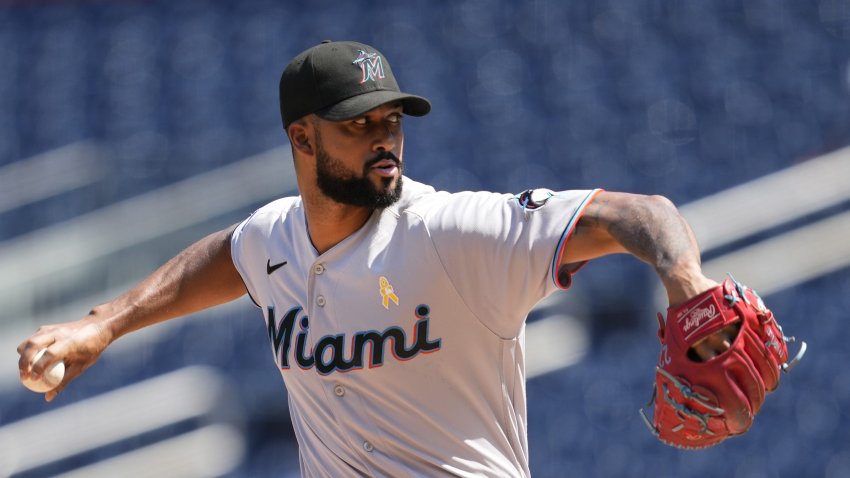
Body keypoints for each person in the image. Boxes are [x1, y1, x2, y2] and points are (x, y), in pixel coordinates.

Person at [18, 40, 724, 477]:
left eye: (391, 120)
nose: (384, 138)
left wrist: (685, 280)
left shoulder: (450, 231)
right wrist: (103, 325)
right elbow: (226, 255)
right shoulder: (275, 238)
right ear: (303, 139)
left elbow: (639, 214)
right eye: (359, 125)